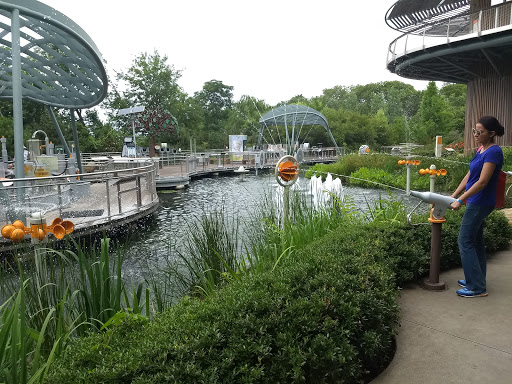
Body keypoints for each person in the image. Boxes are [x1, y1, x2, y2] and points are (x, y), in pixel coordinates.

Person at [450, 116, 504, 298]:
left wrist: (460, 200)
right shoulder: (481, 149)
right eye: (474, 131)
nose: (475, 134)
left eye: (479, 132)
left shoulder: (494, 152)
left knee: (464, 241)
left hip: (481, 202)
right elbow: (470, 174)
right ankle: (476, 278)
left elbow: (482, 182)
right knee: (476, 241)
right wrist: (455, 195)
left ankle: (477, 287)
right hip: (474, 201)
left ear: (491, 133)